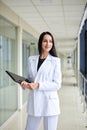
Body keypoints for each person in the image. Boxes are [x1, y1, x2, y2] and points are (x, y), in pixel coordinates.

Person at [21, 31, 62, 130]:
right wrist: (25, 84)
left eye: (50, 41)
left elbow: (57, 84)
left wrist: (39, 85)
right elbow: (31, 79)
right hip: (35, 101)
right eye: (45, 41)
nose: (48, 44)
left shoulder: (55, 61)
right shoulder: (31, 59)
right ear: (40, 43)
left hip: (49, 102)